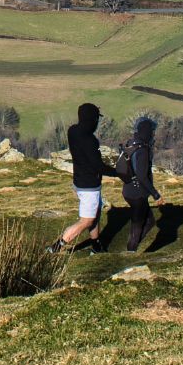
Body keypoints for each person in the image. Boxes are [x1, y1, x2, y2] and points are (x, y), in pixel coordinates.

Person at [53, 101, 106, 253]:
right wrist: (120, 173)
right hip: (89, 186)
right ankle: (56, 247)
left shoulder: (73, 131)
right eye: (96, 119)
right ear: (93, 120)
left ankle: (96, 246)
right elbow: (99, 166)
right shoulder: (90, 141)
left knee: (94, 215)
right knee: (87, 220)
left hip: (80, 181)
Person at [121, 114, 161, 253]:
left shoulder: (131, 143)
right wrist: (156, 195)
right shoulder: (142, 150)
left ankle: (132, 248)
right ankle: (130, 252)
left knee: (149, 221)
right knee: (137, 225)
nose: (153, 135)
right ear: (147, 132)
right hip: (137, 194)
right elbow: (142, 177)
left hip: (128, 190)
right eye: (152, 131)